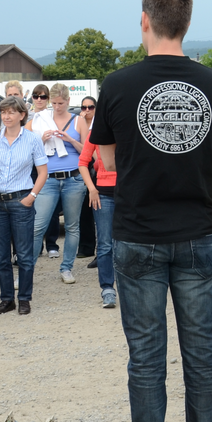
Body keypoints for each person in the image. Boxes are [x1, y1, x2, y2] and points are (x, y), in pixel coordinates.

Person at [92, 0, 212, 422]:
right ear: (187, 24)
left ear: (145, 22)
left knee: (147, 358)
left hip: (139, 234)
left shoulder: (118, 84)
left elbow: (107, 160)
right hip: (199, 232)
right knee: (203, 352)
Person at [0, 96, 47, 315]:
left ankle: (25, 299)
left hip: (21, 200)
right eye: (4, 112)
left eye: (11, 112)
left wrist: (32, 196)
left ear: (22, 115)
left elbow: (43, 172)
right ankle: (7, 299)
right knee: (1, 256)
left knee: (25, 255)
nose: (7, 116)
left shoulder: (32, 139)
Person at [29, 83, 86, 284]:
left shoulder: (78, 120)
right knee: (37, 226)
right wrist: (41, 140)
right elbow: (27, 146)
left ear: (68, 101)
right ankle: (27, 271)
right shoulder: (41, 119)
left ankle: (67, 268)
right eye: (53, 103)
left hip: (74, 178)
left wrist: (70, 139)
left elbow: (87, 152)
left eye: (60, 103)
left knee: (72, 226)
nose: (56, 107)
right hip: (48, 178)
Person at [78, 108, 118, 309]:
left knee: (129, 242)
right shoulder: (96, 134)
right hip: (103, 193)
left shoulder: (128, 130)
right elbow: (83, 162)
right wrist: (92, 189)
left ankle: (128, 286)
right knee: (105, 244)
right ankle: (107, 289)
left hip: (128, 193)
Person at [24, 83, 60, 257]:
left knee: (52, 207)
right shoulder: (27, 117)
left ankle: (52, 244)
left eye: (43, 96)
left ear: (48, 99)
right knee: (34, 205)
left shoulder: (53, 115)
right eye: (36, 96)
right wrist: (41, 140)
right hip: (32, 165)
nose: (39, 99)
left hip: (51, 163)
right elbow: (25, 144)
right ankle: (36, 246)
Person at [77, 96, 99, 265]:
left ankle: (100, 251)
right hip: (84, 167)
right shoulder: (78, 123)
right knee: (85, 210)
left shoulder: (99, 124)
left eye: (90, 107)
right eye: (84, 107)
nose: (87, 110)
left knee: (98, 211)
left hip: (96, 167)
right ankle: (86, 247)